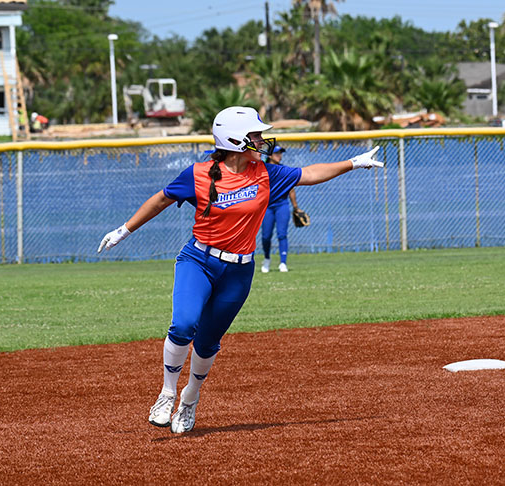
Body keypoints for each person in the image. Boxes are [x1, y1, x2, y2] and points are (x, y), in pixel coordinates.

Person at [97, 106, 383, 434]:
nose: (262, 140)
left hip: (238, 273)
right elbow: (161, 200)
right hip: (198, 261)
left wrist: (353, 163)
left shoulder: (266, 172)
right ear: (235, 140)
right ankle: (166, 393)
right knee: (184, 324)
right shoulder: (199, 173)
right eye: (255, 134)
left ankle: (190, 398)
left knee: (207, 342)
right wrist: (124, 230)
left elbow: (310, 174)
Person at [260, 145, 302, 273]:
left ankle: (283, 262)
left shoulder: (283, 170)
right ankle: (267, 259)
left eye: (280, 153)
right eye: (276, 153)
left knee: (282, 234)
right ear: (270, 155)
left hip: (282, 205)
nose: (279, 155)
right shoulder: (263, 169)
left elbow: (291, 190)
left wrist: (296, 208)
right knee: (266, 236)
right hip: (267, 206)